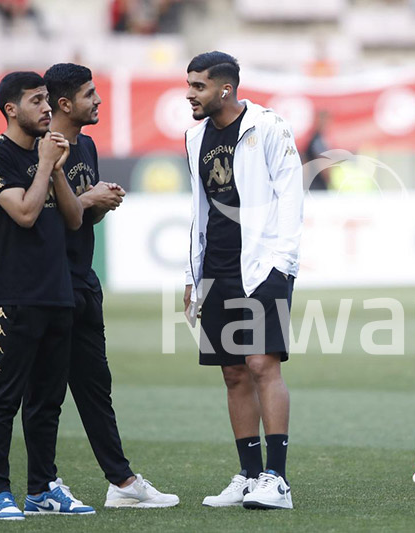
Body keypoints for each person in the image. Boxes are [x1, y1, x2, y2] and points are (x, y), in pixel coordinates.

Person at [44, 63, 180, 509]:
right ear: (65, 103)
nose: (98, 100)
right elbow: (33, 218)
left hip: (83, 280)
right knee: (43, 392)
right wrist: (87, 199)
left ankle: (121, 483)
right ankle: (38, 485)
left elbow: (81, 217)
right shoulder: (42, 150)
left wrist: (103, 202)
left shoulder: (86, 146)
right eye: (89, 94)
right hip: (47, 284)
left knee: (95, 387)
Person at [183, 51, 303, 509]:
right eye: (189, 85)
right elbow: (198, 208)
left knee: (260, 365)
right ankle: (250, 476)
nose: (190, 94)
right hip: (215, 266)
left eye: (198, 86)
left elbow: (291, 194)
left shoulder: (270, 126)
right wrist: (192, 272)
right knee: (233, 372)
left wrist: (283, 262)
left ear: (225, 89)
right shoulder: (195, 137)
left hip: (261, 265)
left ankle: (278, 479)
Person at [0, 71, 91, 519]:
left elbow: (75, 220)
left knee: (47, 401)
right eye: (37, 100)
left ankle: (42, 488)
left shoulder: (50, 153)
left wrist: (57, 169)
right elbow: (24, 213)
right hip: (13, 295)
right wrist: (45, 165)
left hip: (56, 292)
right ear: (11, 109)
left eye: (48, 99)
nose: (48, 108)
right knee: (4, 396)